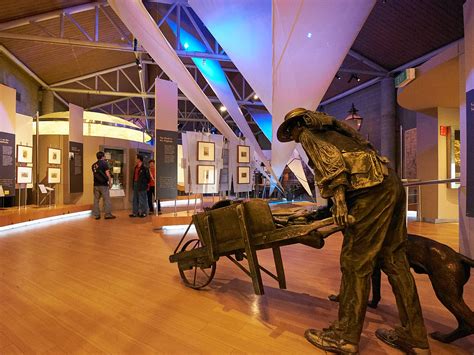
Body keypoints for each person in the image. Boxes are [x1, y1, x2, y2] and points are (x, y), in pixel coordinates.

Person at [277, 108, 429, 354]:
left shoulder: (308, 134)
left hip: (368, 189)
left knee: (354, 261)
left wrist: (338, 199)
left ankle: (345, 336)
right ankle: (415, 336)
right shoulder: (335, 128)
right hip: (388, 181)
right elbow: (365, 144)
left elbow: (331, 163)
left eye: (291, 130)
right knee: (394, 259)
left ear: (297, 125)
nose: (293, 136)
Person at [91, 151, 116, 220]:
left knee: (96, 200)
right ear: (102, 156)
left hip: (96, 185)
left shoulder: (93, 165)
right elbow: (107, 174)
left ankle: (97, 215)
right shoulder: (104, 163)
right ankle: (107, 214)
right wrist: (110, 183)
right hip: (103, 185)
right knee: (106, 199)